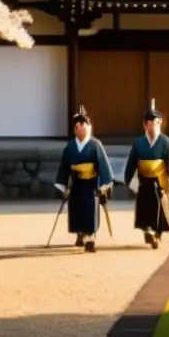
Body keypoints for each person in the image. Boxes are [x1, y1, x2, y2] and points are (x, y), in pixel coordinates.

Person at [54, 105, 114, 253]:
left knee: (89, 208)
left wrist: (104, 184)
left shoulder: (95, 145)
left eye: (82, 124)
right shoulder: (70, 147)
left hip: (91, 184)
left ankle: (90, 238)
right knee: (76, 210)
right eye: (77, 125)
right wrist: (62, 185)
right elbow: (64, 167)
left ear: (89, 127)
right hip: (76, 183)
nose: (79, 127)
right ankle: (80, 234)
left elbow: (103, 165)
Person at [123, 99, 169, 249]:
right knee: (145, 210)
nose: (153, 126)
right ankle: (148, 232)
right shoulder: (138, 143)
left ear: (160, 123)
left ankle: (157, 234)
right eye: (150, 123)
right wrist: (129, 180)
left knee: (160, 211)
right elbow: (131, 164)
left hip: (160, 181)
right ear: (144, 125)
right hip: (144, 181)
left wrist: (168, 183)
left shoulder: (165, 142)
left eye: (156, 122)